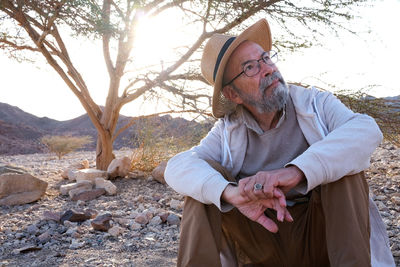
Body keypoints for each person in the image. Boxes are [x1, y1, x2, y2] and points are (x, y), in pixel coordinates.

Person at [164, 19, 395, 267]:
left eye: (266, 58)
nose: (268, 69)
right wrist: (230, 194)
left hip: (321, 236)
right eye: (250, 67)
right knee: (203, 185)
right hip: (263, 240)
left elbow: (366, 129)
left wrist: (297, 172)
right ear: (232, 94)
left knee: (343, 168)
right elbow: (178, 166)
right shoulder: (227, 131)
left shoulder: (315, 103)